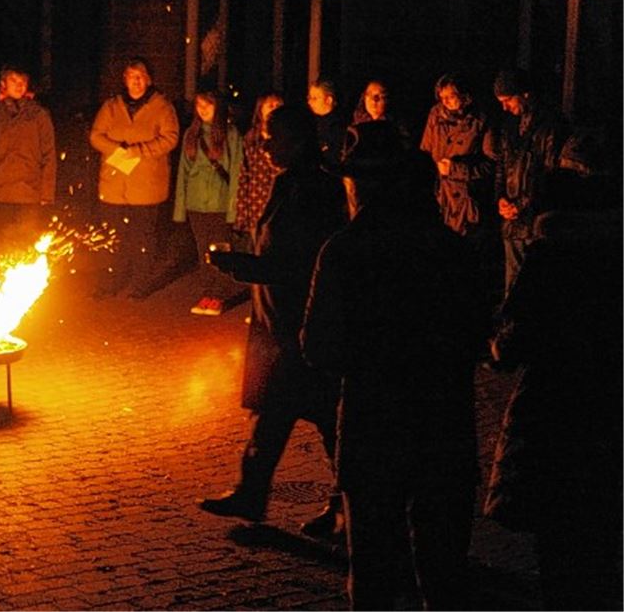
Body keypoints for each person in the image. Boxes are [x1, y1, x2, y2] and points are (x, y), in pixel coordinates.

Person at [300, 121, 490, 609]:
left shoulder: (344, 252)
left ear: (364, 186)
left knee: (375, 578)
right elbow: (477, 338)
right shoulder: (457, 254)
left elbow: (320, 347)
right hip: (444, 433)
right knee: (445, 578)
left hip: (374, 433)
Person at [199, 105, 346, 538]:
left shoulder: (312, 190)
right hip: (281, 323)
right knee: (276, 413)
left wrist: (240, 266)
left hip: (301, 325)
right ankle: (254, 491)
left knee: (324, 419)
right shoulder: (293, 183)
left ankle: (346, 507)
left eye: (271, 137)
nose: (263, 145)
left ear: (297, 141)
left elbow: (296, 264)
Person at [483, 171, 622, 611]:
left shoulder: (549, 257)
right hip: (609, 406)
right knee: (599, 530)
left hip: (555, 409)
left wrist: (493, 346)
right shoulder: (614, 257)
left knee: (559, 535)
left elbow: (514, 338)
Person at [88, 56, 180, 300]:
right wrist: (118, 150)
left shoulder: (162, 107)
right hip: (114, 186)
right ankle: (109, 283)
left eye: (140, 77)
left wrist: (138, 151)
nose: (136, 82)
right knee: (110, 238)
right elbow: (96, 136)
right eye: (131, 77)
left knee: (142, 239)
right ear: (125, 80)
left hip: (146, 187)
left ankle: (140, 285)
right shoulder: (111, 106)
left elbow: (170, 138)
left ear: (148, 80)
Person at [490, 68, 568, 298]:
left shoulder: (550, 126)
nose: (505, 107)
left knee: (536, 287)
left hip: (537, 220)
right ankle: (509, 327)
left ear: (525, 94)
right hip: (513, 221)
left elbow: (551, 175)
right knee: (512, 283)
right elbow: (502, 167)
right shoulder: (510, 127)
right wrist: (501, 199)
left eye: (508, 100)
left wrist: (523, 204)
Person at [172, 89, 241, 316]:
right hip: (196, 203)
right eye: (199, 106)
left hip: (219, 203)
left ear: (217, 107)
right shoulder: (191, 134)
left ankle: (220, 294)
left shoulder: (230, 134)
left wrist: (233, 211)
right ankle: (208, 292)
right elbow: (183, 171)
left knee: (220, 249)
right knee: (203, 251)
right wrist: (180, 209)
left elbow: (236, 172)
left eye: (207, 106)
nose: (202, 110)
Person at [0, 64, 56, 248]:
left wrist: (47, 192)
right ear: (4, 83)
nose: (19, 85)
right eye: (14, 81)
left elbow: (49, 155)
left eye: (23, 81)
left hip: (30, 191)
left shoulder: (39, 116)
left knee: (28, 244)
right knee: (1, 244)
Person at [419, 73, 495, 237]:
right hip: (438, 196)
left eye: (451, 96)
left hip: (464, 201)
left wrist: (456, 169)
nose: (445, 101)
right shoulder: (435, 115)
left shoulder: (480, 121)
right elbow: (425, 151)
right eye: (442, 97)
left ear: (464, 95)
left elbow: (492, 164)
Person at [234, 92, 283, 253]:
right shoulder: (251, 137)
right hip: (256, 205)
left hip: (277, 206)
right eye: (270, 105)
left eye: (278, 106)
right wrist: (241, 214)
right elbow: (244, 176)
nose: (274, 109)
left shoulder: (286, 138)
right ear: (260, 109)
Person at [350, 80, 409, 145]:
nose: (374, 100)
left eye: (381, 95)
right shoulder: (354, 129)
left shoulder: (397, 130)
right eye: (369, 94)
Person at [307, 78, 346, 169]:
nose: (309, 102)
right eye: (309, 98)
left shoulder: (339, 127)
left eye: (315, 98)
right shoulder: (310, 122)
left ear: (328, 100)